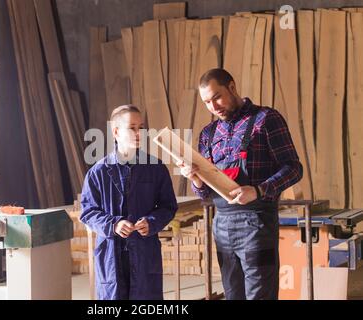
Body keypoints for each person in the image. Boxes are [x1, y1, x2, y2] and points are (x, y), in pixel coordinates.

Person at [177, 68, 303, 300]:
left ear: (232, 87)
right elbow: (205, 192)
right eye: (207, 102)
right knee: (233, 294)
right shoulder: (208, 133)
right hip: (222, 225)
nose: (214, 107)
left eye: (217, 97)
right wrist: (195, 178)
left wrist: (258, 190)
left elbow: (294, 169)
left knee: (260, 296)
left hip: (257, 224)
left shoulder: (266, 119)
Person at [80, 105, 178, 300]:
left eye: (141, 127)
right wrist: (113, 224)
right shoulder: (98, 172)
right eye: (132, 127)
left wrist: (151, 221)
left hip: (144, 251)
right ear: (116, 132)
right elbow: (88, 212)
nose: (139, 133)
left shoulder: (156, 169)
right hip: (111, 254)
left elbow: (168, 206)